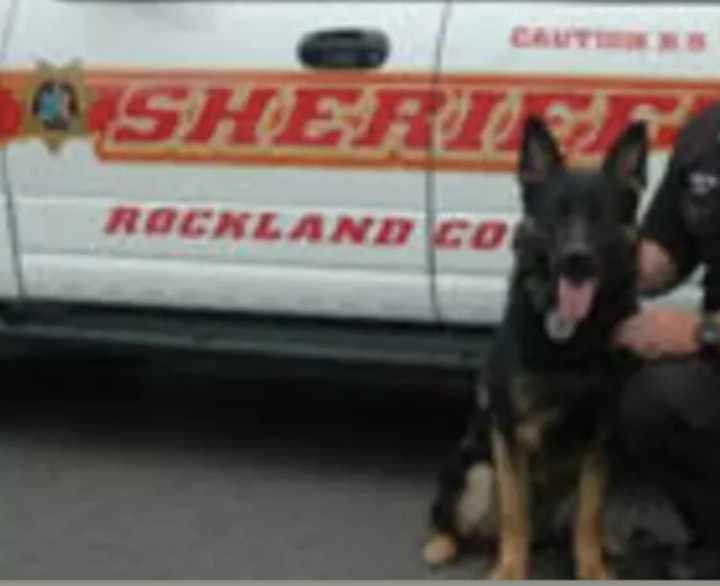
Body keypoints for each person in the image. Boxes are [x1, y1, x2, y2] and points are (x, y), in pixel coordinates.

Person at [614, 102, 720, 577]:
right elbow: (663, 251)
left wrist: (702, 331)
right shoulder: (707, 133)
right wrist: (593, 255)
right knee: (656, 397)